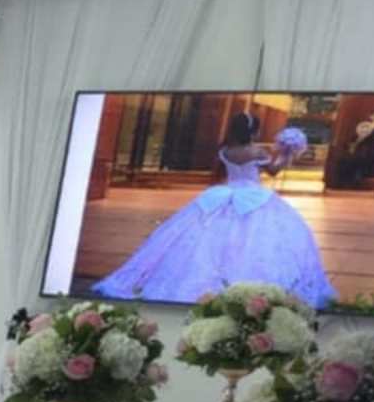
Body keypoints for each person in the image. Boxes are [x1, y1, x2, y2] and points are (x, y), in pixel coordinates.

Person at [92, 128, 333, 306]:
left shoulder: (225, 150)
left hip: (223, 194)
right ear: (253, 130)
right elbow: (272, 171)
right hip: (252, 196)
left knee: (204, 240)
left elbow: (220, 173)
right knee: (251, 241)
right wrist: (286, 155)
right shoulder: (257, 151)